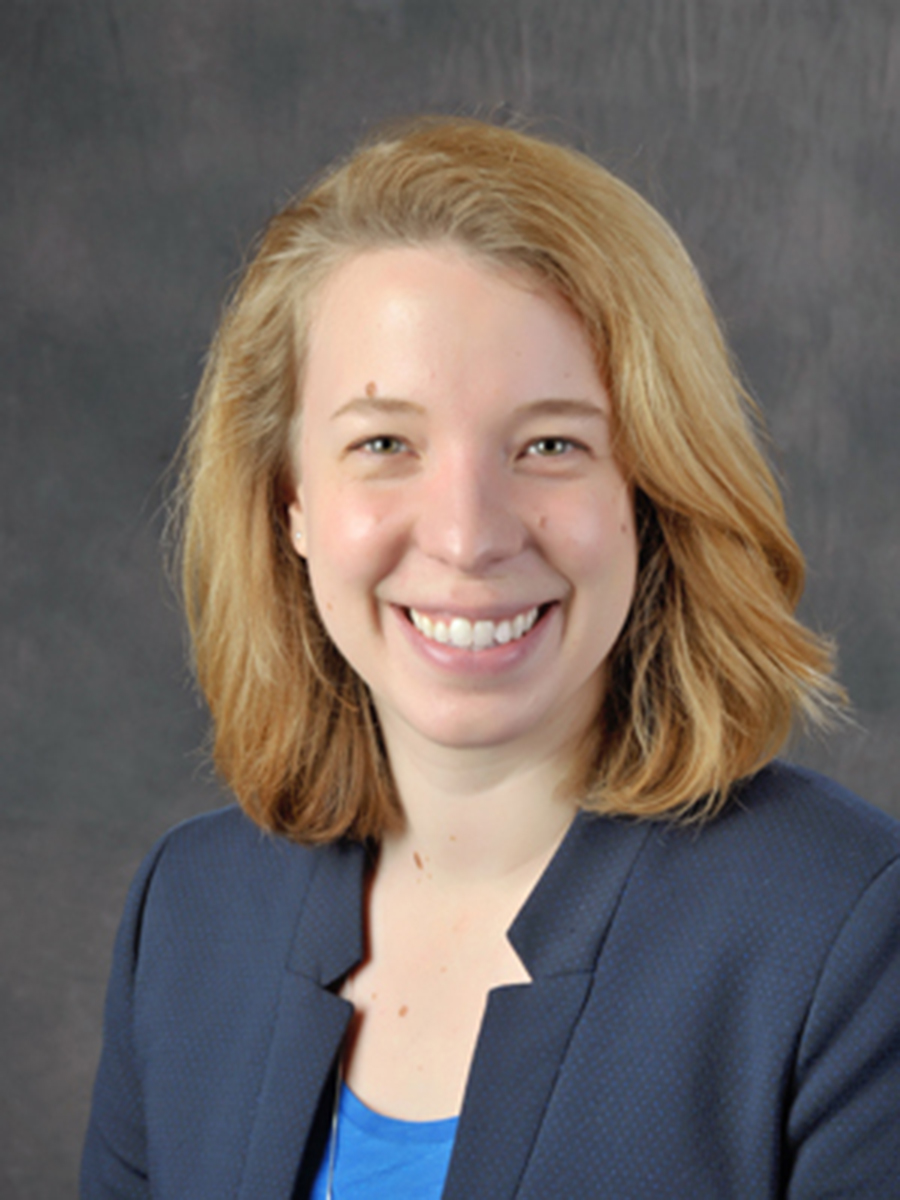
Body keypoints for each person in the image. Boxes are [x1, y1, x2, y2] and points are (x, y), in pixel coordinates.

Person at [81, 117, 900, 1199]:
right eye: (385, 444)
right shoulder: (189, 913)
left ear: (649, 494)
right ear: (290, 502)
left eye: (551, 445)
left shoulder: (846, 939)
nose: (468, 537)